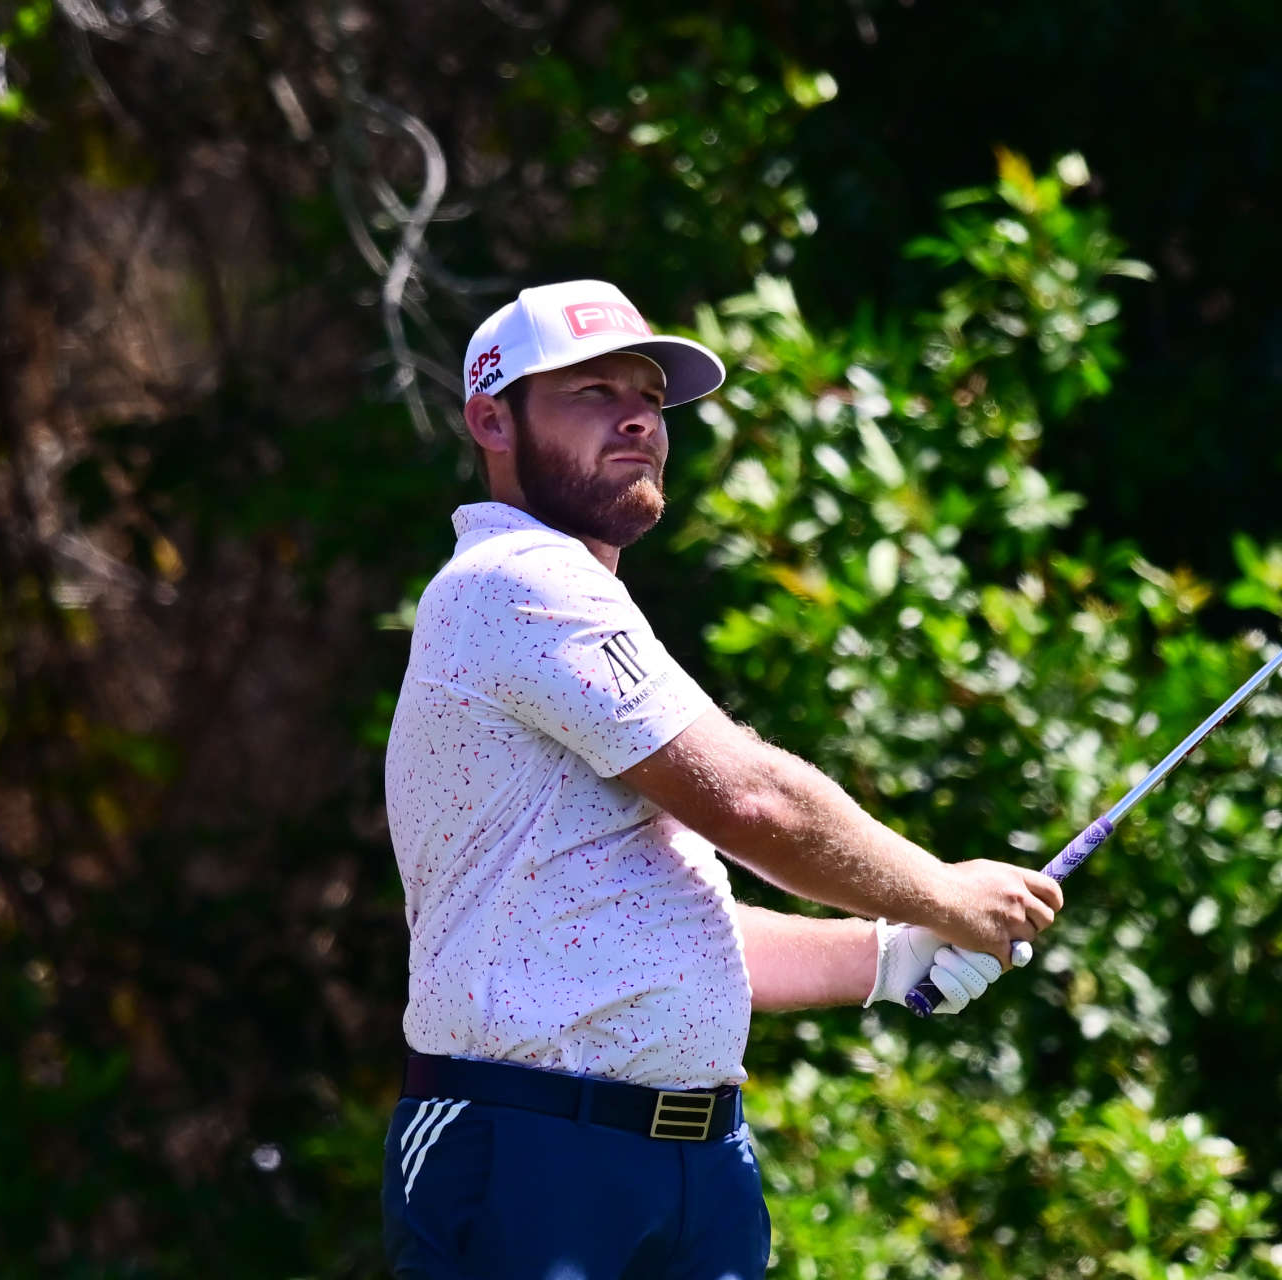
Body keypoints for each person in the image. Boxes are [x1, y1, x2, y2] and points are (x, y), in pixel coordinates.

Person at [380, 279, 1062, 1279]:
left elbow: (665, 919)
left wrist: (891, 954)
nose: (636, 418)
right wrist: (946, 890)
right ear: (492, 418)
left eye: (650, 398)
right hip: (528, 1150)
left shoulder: (592, 612)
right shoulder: (515, 579)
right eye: (589, 391)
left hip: (695, 1164)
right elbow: (753, 801)